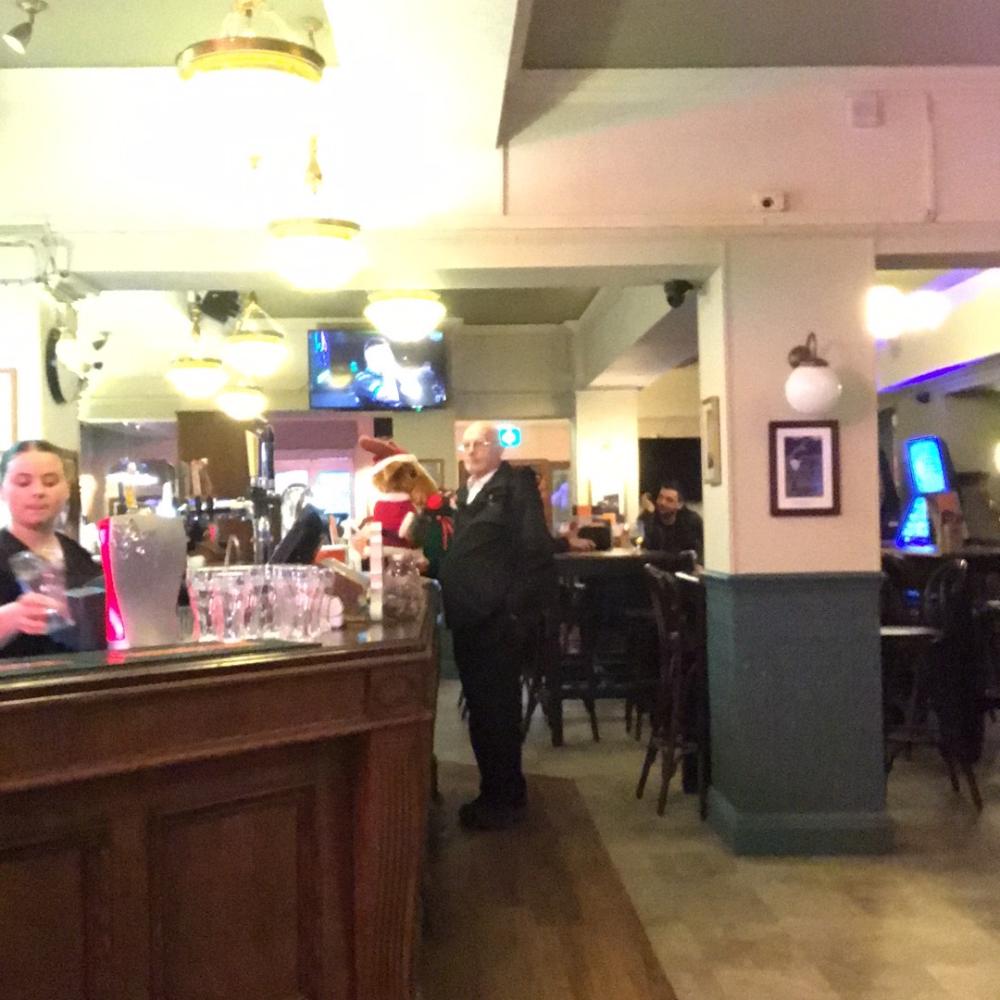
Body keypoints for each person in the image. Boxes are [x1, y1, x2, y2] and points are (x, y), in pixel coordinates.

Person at [438, 421, 557, 830]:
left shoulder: (514, 487)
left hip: (497, 622)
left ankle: (504, 799)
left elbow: (536, 552)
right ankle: (494, 791)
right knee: (481, 712)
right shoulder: (469, 493)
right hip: (468, 618)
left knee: (498, 713)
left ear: (498, 449)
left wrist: (512, 612)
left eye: (480, 443)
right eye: (466, 444)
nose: (471, 450)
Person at [0, 440, 101, 659]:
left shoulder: (77, 555)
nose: (38, 491)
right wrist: (10, 618)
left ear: (66, 490)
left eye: (50, 482)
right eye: (23, 483)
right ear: (2, 490)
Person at [637, 482, 704, 563]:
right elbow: (642, 550)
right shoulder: (648, 518)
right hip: (653, 567)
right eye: (660, 497)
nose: (662, 503)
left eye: (669, 500)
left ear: (680, 505)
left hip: (682, 568)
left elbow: (697, 553)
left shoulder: (691, 521)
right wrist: (650, 515)